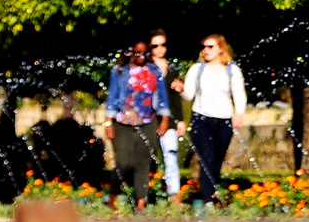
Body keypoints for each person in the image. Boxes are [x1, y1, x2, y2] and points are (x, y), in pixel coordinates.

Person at [181, 34, 247, 204]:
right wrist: (180, 89)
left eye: (210, 47)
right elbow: (188, 95)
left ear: (221, 49)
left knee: (217, 160)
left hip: (224, 120)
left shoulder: (232, 70)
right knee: (207, 157)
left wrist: (239, 113)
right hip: (202, 119)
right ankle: (207, 200)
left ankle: (212, 194)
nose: (205, 50)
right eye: (203, 47)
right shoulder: (197, 69)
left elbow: (239, 94)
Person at [104, 41, 169, 210]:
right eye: (137, 53)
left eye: (145, 54)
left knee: (143, 163)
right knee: (123, 162)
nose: (141, 57)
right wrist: (108, 122)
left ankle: (141, 202)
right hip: (122, 123)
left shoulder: (154, 70)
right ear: (130, 53)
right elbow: (112, 96)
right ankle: (113, 196)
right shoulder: (119, 71)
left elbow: (162, 95)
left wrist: (165, 119)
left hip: (148, 122)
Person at [148, 29, 182, 201]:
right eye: (155, 45)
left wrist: (181, 120)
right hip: (149, 119)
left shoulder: (173, 68)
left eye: (163, 44)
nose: (160, 48)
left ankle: (173, 194)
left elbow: (175, 98)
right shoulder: (145, 67)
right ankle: (146, 194)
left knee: (170, 155)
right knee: (147, 157)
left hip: (170, 120)